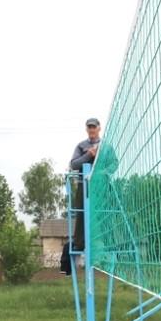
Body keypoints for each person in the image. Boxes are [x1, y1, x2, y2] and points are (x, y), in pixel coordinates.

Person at [60, 117, 101, 274]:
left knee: (99, 213)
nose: (91, 130)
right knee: (81, 213)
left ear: (99, 128)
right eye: (89, 127)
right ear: (87, 129)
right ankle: (80, 243)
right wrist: (89, 155)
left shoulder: (105, 146)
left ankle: (99, 242)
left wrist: (103, 170)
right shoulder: (81, 146)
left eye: (94, 127)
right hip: (83, 186)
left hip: (99, 186)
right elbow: (74, 164)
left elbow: (113, 163)